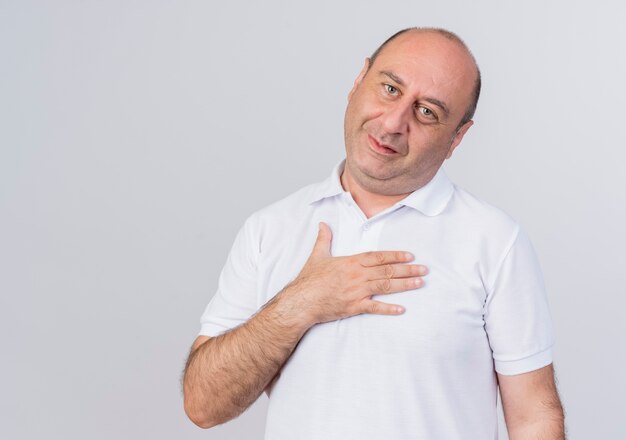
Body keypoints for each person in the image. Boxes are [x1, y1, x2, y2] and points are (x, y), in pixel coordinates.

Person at [183, 27, 565, 439]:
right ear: (357, 81)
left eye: (427, 112)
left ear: (457, 137)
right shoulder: (270, 228)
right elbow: (204, 405)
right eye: (389, 88)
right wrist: (302, 302)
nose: (394, 122)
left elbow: (533, 417)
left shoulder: (494, 241)